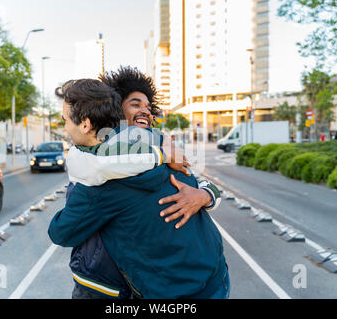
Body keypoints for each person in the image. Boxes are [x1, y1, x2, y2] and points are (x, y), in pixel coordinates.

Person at [48, 79, 229, 299]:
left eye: (148, 107)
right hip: (120, 283)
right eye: (136, 104)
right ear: (117, 113)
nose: (145, 111)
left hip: (204, 281)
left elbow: (61, 231)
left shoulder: (164, 147)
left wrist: (204, 195)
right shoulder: (153, 153)